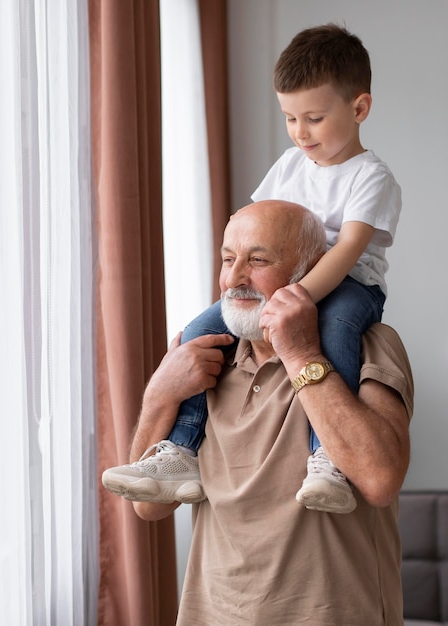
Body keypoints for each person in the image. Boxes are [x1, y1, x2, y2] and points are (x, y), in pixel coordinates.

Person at [102, 24, 402, 514]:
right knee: (200, 327)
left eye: (314, 118)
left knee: (338, 328)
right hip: (288, 282)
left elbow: (348, 248)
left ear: (359, 109)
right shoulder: (289, 164)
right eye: (289, 118)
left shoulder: (371, 176)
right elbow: (255, 228)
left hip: (348, 285)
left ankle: (326, 457)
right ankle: (179, 449)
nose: (300, 132)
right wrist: (252, 270)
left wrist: (295, 296)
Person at [115, 200, 414, 625]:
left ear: (311, 271)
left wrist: (299, 353)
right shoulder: (205, 361)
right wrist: (161, 394)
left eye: (257, 260)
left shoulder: (371, 345)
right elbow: (148, 507)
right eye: (227, 259)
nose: (235, 278)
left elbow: (379, 479)